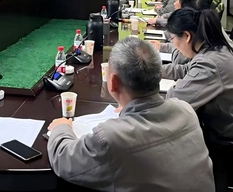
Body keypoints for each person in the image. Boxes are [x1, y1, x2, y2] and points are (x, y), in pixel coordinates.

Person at [47, 37, 215, 192]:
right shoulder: (186, 110)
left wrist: (61, 127)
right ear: (159, 76)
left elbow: (64, 160)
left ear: (113, 82)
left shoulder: (111, 137)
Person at [166, 8, 233, 147]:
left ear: (187, 36)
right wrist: (153, 71)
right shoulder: (216, 47)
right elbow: (187, 70)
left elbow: (176, 100)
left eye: (172, 39)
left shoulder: (210, 63)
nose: (173, 45)